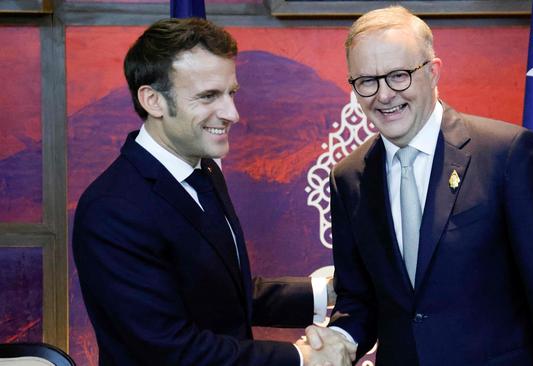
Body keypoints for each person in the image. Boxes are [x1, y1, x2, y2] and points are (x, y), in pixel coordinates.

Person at [307, 5, 533, 365]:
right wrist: (338, 338)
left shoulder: (507, 154)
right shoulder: (348, 177)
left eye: (399, 75)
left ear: (433, 72)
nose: (383, 95)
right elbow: (360, 298)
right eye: (367, 81)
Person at [72, 18, 354, 366]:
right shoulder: (112, 209)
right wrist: (303, 358)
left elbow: (216, 293)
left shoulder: (202, 170)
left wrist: (323, 290)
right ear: (153, 100)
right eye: (208, 96)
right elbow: (170, 351)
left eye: (231, 93)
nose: (232, 113)